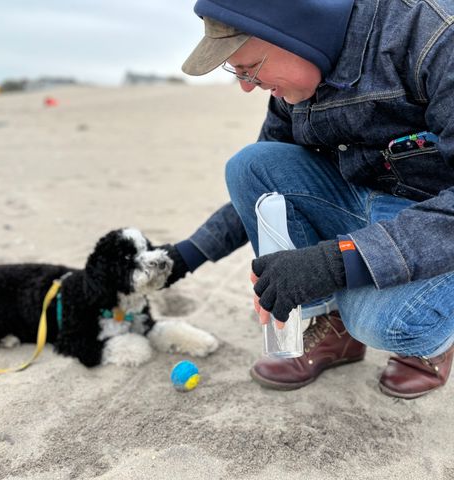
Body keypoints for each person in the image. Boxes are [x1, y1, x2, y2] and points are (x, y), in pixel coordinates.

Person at [160, 0, 454, 399]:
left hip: (435, 220)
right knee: (251, 164)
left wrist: (335, 263)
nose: (247, 86)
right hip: (367, 202)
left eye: (249, 70)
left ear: (290, 34)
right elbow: (261, 182)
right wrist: (185, 255)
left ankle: (429, 342)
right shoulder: (294, 83)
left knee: (387, 323)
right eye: (237, 73)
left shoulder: (434, 34)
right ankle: (331, 330)